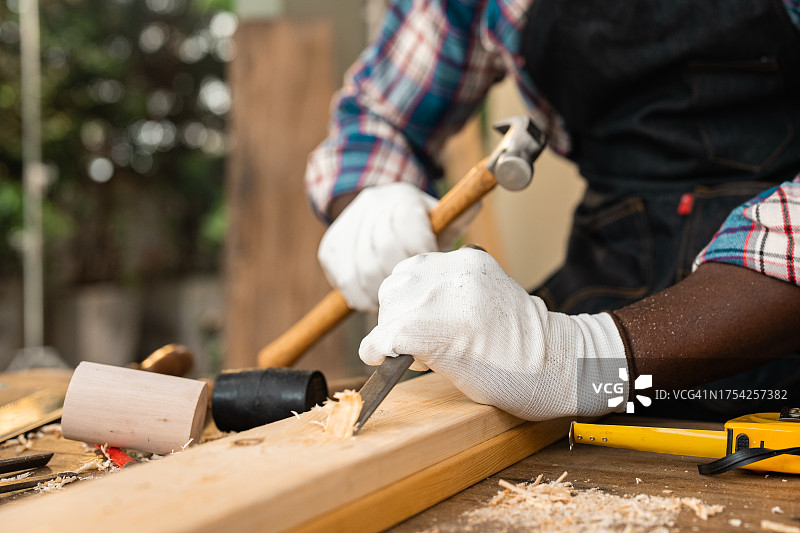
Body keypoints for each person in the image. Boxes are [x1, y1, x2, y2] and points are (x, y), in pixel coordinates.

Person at [305, 0, 800, 421]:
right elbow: (381, 117)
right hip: (615, 267)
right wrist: (370, 199)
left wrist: (586, 360)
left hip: (775, 326)